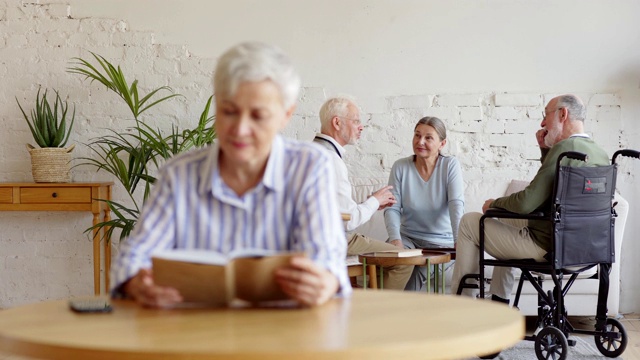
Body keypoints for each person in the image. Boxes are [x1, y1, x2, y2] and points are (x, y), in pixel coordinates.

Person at [110, 42, 351, 308]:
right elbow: (133, 258)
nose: (240, 129)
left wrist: (326, 282)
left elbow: (328, 260)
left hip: (286, 336)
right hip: (194, 336)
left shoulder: (310, 167)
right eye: (229, 112)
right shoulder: (179, 175)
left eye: (258, 116)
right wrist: (137, 283)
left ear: (286, 115)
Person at [451, 94, 610, 303]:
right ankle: (499, 300)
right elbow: (555, 190)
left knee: (471, 222)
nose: (543, 122)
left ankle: (460, 306)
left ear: (563, 114)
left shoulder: (564, 149)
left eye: (546, 115)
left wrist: (494, 204)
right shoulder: (599, 153)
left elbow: (526, 202)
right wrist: (546, 151)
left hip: (548, 245)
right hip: (585, 248)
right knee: (505, 219)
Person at [313, 97, 412, 290]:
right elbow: (348, 220)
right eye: (356, 120)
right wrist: (375, 201)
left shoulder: (312, 152)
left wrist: (371, 203)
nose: (361, 127)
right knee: (403, 262)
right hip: (334, 239)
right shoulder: (331, 160)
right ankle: (377, 317)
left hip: (313, 237)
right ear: (337, 122)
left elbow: (334, 207)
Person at [384, 116, 465, 291]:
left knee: (413, 275)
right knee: (395, 266)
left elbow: (456, 204)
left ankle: (401, 316)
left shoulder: (450, 165)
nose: (420, 142)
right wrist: (395, 239)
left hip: (441, 242)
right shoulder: (400, 167)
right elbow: (392, 207)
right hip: (408, 238)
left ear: (442, 144)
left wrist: (459, 241)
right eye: (417, 135)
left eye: (428, 138)